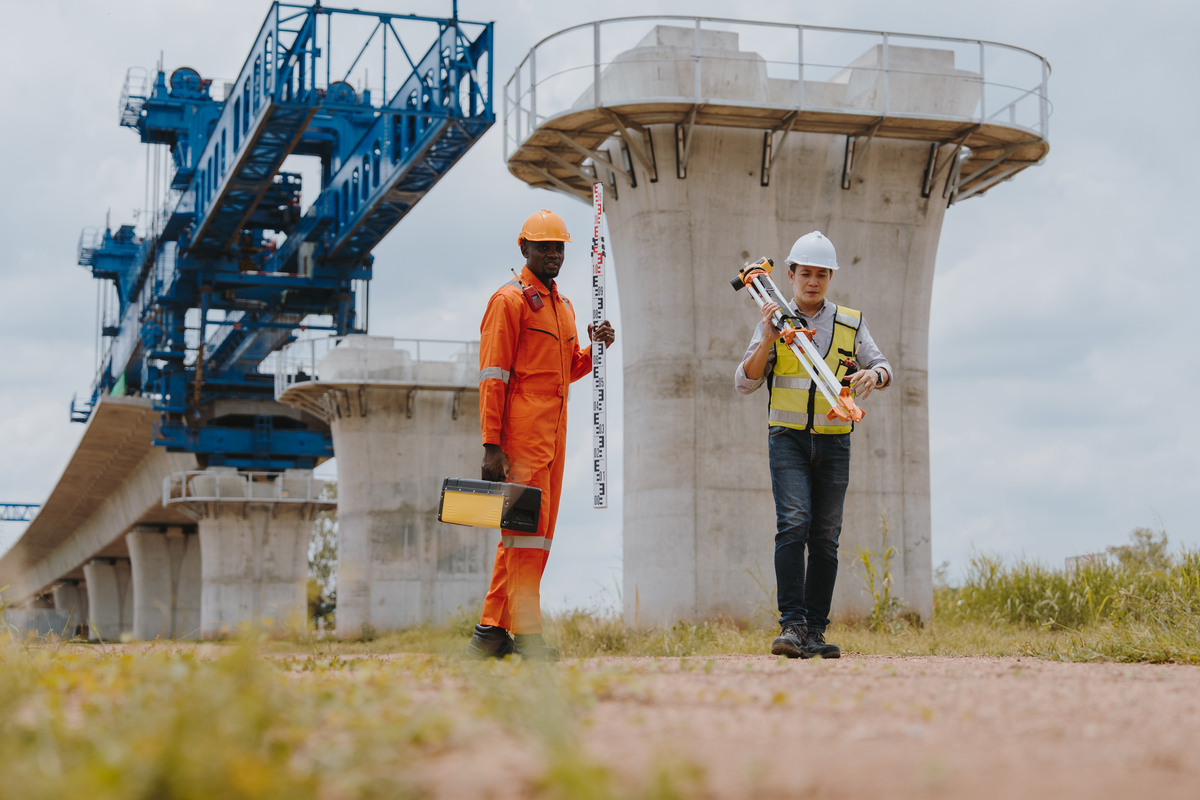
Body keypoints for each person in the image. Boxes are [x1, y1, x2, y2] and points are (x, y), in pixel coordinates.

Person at [734, 231, 892, 659]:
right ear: (789, 275)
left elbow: (882, 366)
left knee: (825, 537)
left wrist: (871, 376)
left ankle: (816, 632)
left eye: (822, 274)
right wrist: (767, 337)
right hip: (787, 439)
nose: (813, 281)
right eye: (806, 273)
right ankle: (793, 624)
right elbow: (744, 382)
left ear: (830, 277)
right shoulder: (774, 319)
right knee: (794, 524)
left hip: (835, 444)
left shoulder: (850, 322)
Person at [466, 209, 616, 661]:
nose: (553, 254)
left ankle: (491, 632)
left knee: (527, 537)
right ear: (523, 248)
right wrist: (492, 445)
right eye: (544, 246)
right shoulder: (507, 301)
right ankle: (527, 639)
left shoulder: (564, 307)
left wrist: (595, 351)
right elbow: (493, 376)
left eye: (559, 247)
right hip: (520, 439)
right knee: (524, 538)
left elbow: (565, 370)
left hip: (554, 438)